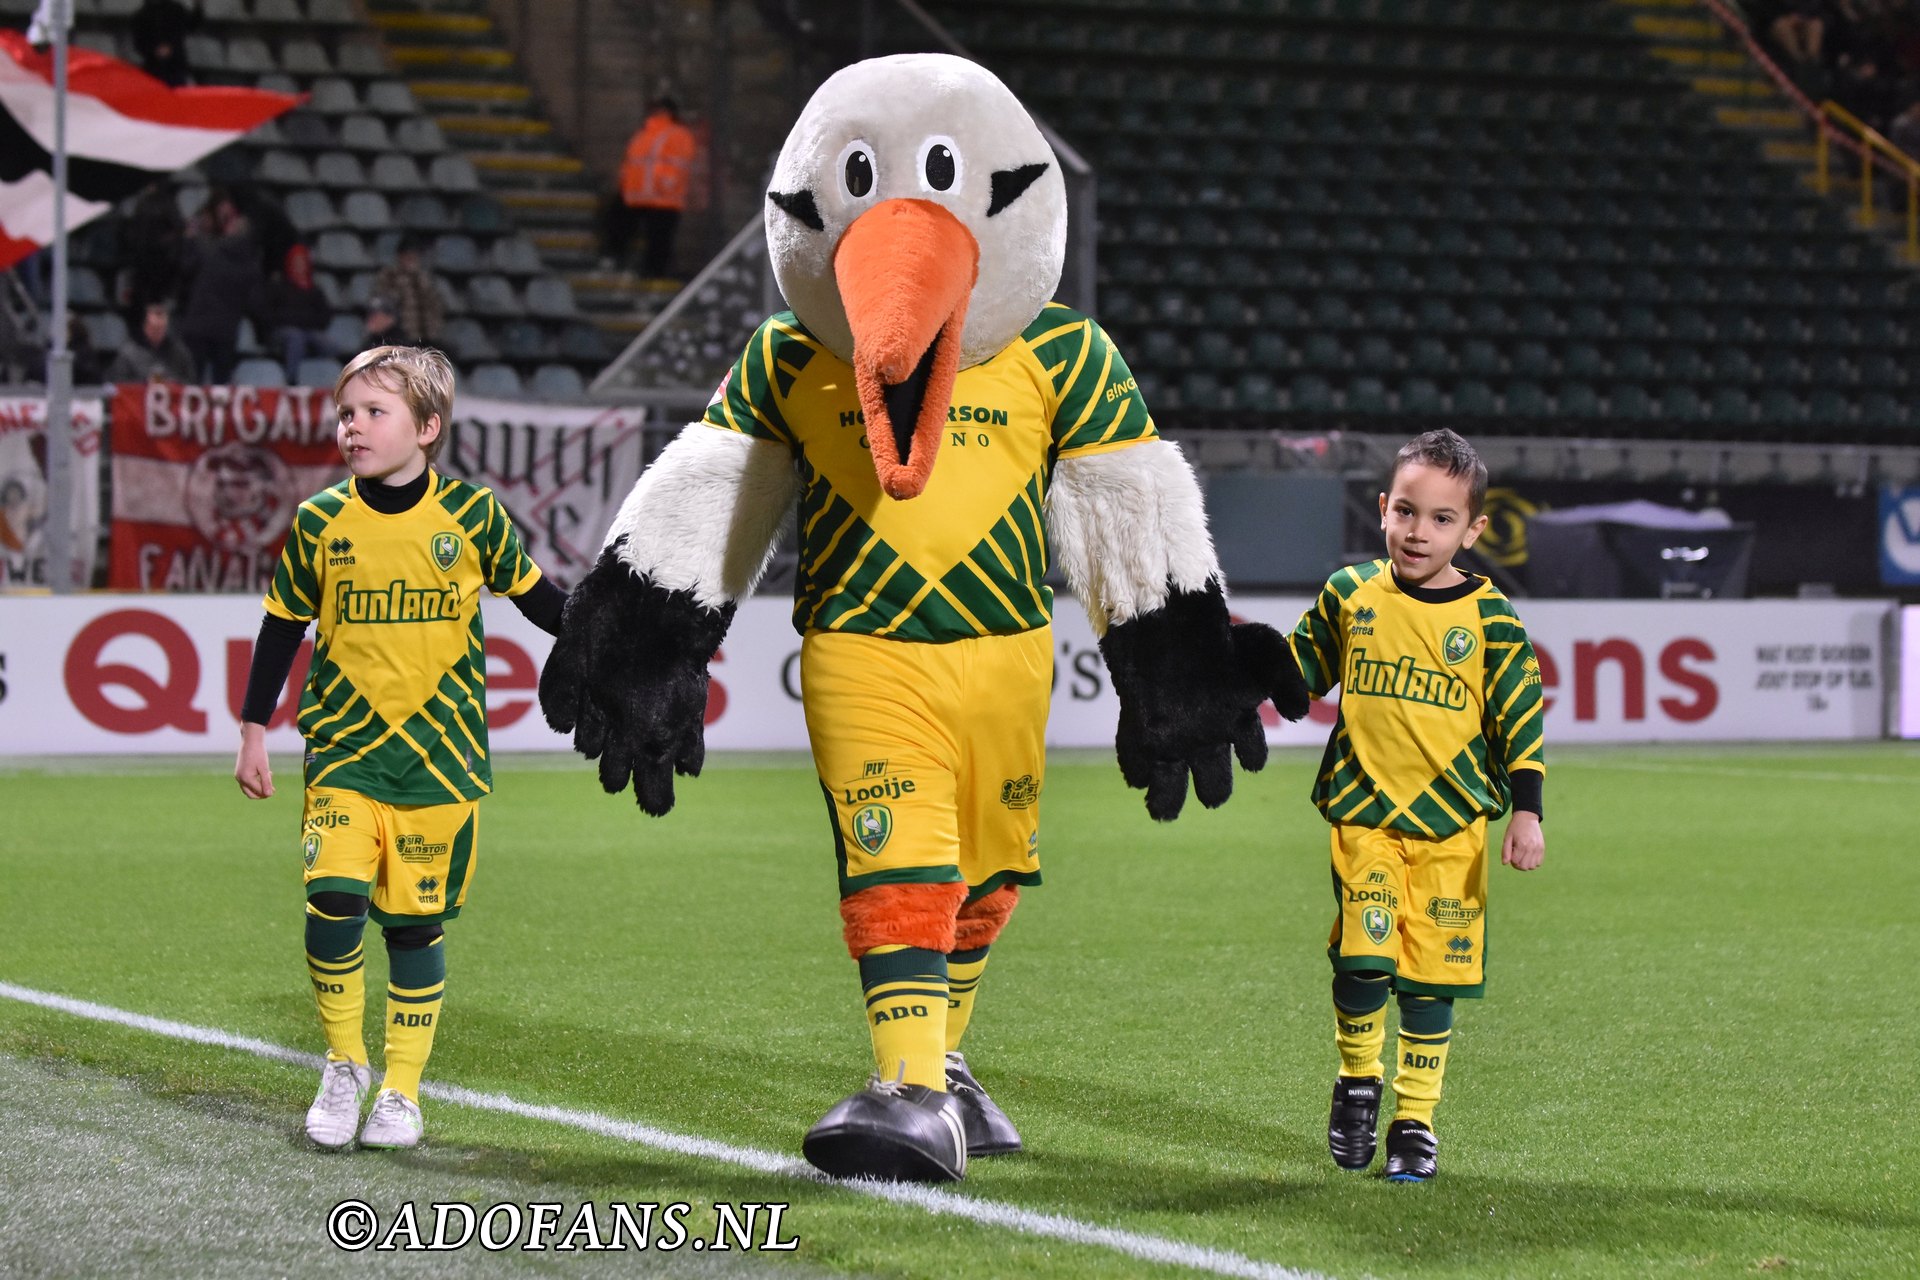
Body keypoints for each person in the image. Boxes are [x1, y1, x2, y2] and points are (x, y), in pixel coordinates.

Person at [233, 346, 566, 1151]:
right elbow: (283, 629)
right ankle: (344, 1065)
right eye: (347, 413)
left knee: (414, 930)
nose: (353, 427)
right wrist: (253, 729)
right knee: (333, 903)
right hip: (344, 755)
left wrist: (617, 651)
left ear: (426, 427)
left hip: (441, 765)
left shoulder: (475, 518)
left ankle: (402, 1092)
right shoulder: (320, 521)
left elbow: (545, 604)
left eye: (373, 413)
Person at [1287, 428, 1546, 1183]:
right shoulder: (1350, 594)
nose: (1417, 532)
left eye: (1440, 519)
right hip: (1365, 813)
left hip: (1453, 830)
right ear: (1383, 509)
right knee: (1365, 958)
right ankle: (1358, 1081)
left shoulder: (1492, 619)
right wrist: (1233, 686)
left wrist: (1526, 812)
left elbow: (1520, 716)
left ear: (1473, 530)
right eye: (1405, 512)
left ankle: (1415, 1121)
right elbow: (1299, 671)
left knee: (1432, 980)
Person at [607, 96, 697, 278]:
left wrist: (666, 184)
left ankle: (653, 272)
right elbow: (631, 164)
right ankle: (621, 261)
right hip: (638, 194)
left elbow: (678, 164)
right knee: (627, 231)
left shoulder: (675, 134)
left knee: (658, 239)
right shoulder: (645, 134)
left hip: (662, 197)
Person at [263, 244, 332, 382]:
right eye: (296, 262)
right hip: (282, 332)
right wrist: (299, 320)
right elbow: (270, 314)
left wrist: (301, 321)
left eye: (302, 262)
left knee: (328, 344)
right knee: (296, 338)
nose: (299, 266)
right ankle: (291, 380)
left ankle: (327, 380)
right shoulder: (279, 287)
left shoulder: (314, 291)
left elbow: (325, 317)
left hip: (309, 331)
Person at [370, 234, 445, 347]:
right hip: (399, 336)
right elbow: (383, 303)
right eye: (408, 256)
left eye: (414, 256)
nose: (411, 260)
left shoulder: (425, 279)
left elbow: (435, 305)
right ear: (400, 256)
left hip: (427, 336)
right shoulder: (389, 276)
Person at [105, 302, 196, 383]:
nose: (158, 333)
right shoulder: (128, 353)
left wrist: (174, 382)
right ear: (145, 326)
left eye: (161, 328)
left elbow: (191, 381)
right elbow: (119, 382)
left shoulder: (179, 352)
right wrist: (144, 383)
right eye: (154, 328)